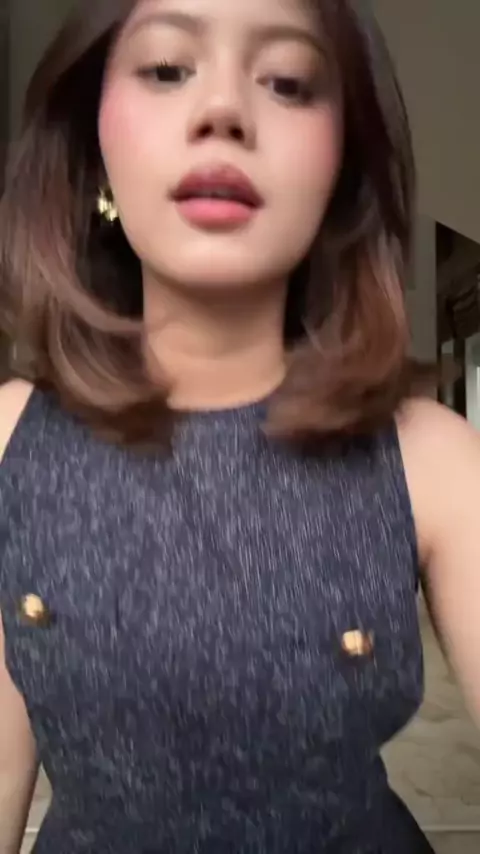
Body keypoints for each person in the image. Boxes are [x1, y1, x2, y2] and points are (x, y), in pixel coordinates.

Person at [1, 0, 479, 851]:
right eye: (166, 69)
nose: (222, 108)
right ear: (93, 147)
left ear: (342, 168)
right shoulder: (11, 438)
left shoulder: (435, 459)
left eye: (287, 82)